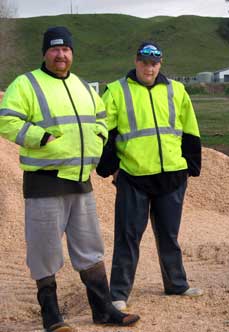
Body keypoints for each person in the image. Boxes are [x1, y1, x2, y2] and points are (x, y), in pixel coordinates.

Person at [0, 26, 140, 332]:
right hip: (45, 182)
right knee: (44, 250)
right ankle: (52, 316)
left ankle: (103, 311)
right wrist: (41, 137)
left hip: (80, 181)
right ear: (45, 53)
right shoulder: (26, 84)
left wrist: (100, 135)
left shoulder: (82, 86)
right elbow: (6, 120)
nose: (61, 55)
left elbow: (101, 116)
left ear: (72, 54)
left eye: (66, 50)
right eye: (54, 49)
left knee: (90, 247)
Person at [96, 41, 203, 311]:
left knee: (169, 235)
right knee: (128, 236)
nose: (149, 67)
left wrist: (191, 164)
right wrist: (110, 167)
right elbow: (104, 131)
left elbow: (190, 128)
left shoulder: (176, 90)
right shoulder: (117, 91)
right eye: (144, 62)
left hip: (172, 176)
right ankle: (118, 294)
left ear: (160, 64)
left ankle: (176, 284)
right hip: (134, 176)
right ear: (136, 62)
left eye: (154, 63)